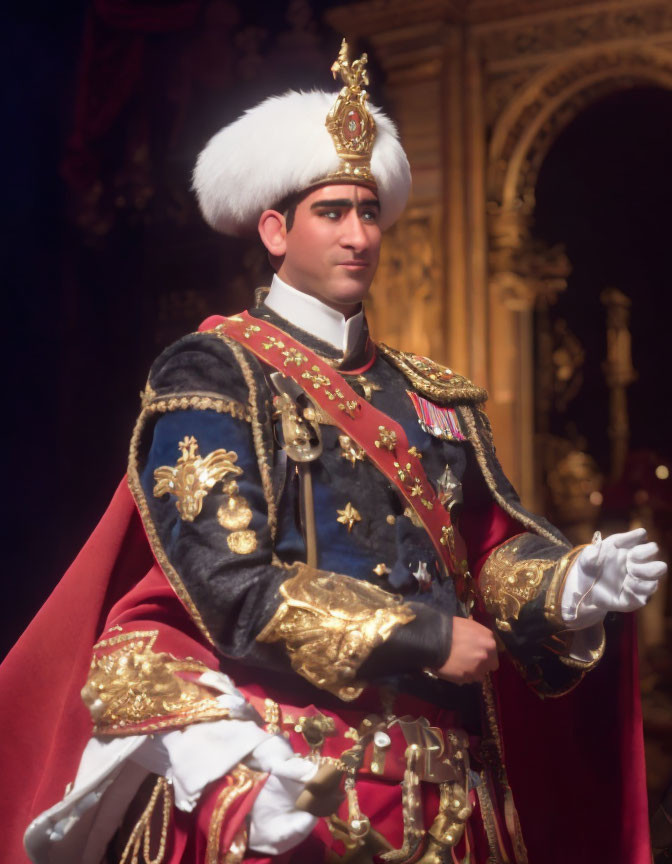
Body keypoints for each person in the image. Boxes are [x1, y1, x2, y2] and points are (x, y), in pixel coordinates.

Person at [6, 40, 665, 864]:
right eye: (332, 211)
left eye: (368, 211)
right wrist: (426, 639)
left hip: (452, 795)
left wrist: (563, 585)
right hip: (294, 776)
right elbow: (229, 589)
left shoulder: (431, 393)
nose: (359, 233)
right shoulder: (215, 372)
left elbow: (480, 562)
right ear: (275, 230)